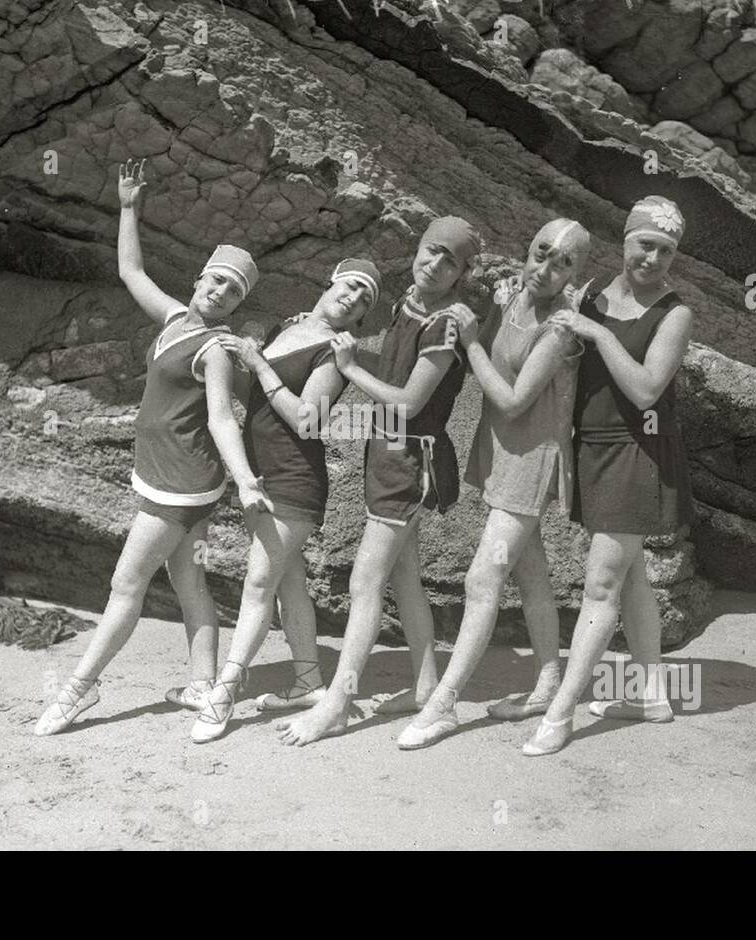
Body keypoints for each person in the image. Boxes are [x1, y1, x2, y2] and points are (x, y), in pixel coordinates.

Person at [34, 158, 271, 736]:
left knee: (125, 584)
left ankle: (78, 690)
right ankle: (202, 683)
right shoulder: (173, 319)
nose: (219, 292)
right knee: (188, 579)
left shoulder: (213, 347)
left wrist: (244, 480)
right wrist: (128, 208)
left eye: (232, 291)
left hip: (183, 483)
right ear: (199, 278)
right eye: (215, 280)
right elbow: (130, 271)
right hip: (166, 473)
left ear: (236, 305)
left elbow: (221, 417)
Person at [276, 216, 483, 747]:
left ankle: (338, 704)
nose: (435, 264)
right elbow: (391, 373)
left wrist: (347, 365)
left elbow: (410, 402)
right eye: (431, 251)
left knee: (364, 583)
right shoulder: (407, 304)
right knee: (404, 577)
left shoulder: (444, 325)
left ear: (462, 273)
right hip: (385, 452)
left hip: (411, 463)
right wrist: (324, 333)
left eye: (450, 261)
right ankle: (425, 686)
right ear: (418, 247)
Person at [396, 218, 589, 750]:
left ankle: (444, 703)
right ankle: (548, 681)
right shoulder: (514, 300)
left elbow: (511, 399)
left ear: (576, 273)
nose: (545, 269)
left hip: (533, 459)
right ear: (526, 252)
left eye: (562, 263)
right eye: (539, 253)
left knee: (484, 577)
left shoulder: (561, 329)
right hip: (504, 452)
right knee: (530, 570)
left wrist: (474, 340)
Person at [521, 195, 696, 757]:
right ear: (625, 240)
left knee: (601, 583)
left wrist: (598, 334)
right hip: (590, 448)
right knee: (633, 577)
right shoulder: (591, 294)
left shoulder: (675, 313)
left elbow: (647, 389)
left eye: (667, 251)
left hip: (638, 452)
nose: (654, 258)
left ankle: (560, 712)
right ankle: (652, 696)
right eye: (646, 243)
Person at [189, 259, 384, 743]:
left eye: (366, 301)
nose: (354, 299)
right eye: (352, 286)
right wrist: (232, 360)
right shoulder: (288, 327)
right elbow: (254, 395)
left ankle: (224, 691)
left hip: (296, 481)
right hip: (262, 472)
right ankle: (308, 682)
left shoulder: (335, 353)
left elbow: (306, 421)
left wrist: (256, 362)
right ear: (331, 279)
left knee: (259, 582)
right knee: (288, 581)